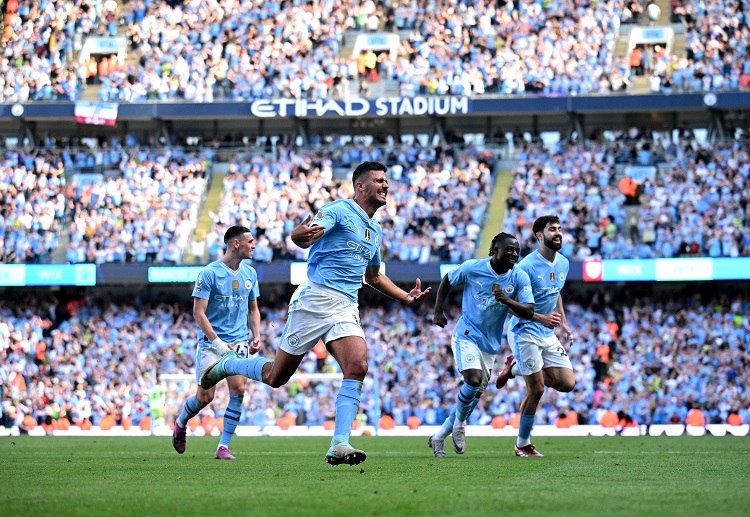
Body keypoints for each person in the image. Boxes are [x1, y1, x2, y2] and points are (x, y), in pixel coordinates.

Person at [199, 161, 431, 466]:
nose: (386, 185)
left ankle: (339, 443)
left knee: (358, 365)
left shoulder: (375, 230)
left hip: (346, 305)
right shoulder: (337, 210)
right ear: (360, 187)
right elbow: (306, 236)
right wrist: (298, 237)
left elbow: (373, 276)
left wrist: (404, 296)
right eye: (379, 181)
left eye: (386, 181)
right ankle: (228, 364)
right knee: (275, 376)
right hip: (315, 299)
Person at [428, 232, 537, 458]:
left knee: (472, 398)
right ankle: (459, 425)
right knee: (473, 379)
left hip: (490, 345)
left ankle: (438, 437)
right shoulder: (472, 268)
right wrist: (438, 311)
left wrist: (507, 300)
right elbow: (448, 279)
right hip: (466, 333)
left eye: (517, 251)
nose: (514, 254)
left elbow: (529, 311)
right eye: (509, 250)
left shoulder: (519, 277)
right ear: (493, 251)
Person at [172, 225, 261, 460]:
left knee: (239, 389)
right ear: (235, 244)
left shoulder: (250, 274)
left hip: (239, 341)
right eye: (250, 241)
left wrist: (256, 334)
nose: (254, 245)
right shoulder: (209, 273)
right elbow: (198, 313)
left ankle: (223, 446)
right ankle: (181, 422)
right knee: (205, 398)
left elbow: (253, 308)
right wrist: (218, 342)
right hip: (212, 344)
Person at [495, 214, 575, 457]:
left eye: (560, 228)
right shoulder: (525, 267)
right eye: (552, 229)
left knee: (567, 383)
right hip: (524, 331)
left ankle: (516, 367)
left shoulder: (563, 263)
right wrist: (541, 318)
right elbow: (507, 303)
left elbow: (556, 292)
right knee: (537, 389)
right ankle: (522, 444)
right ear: (539, 236)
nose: (558, 233)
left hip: (547, 332)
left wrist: (565, 324)